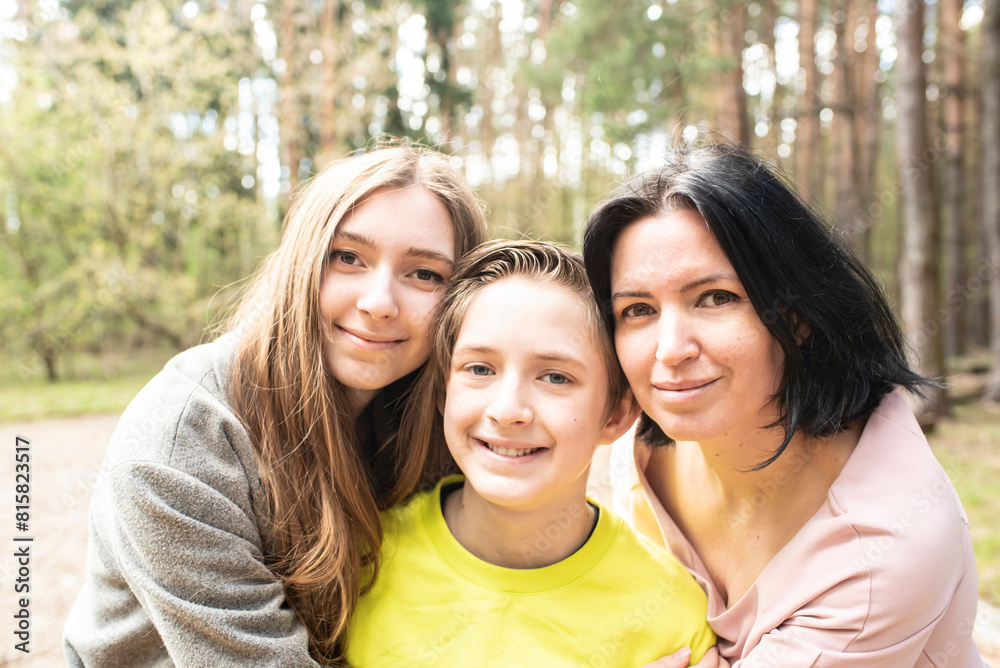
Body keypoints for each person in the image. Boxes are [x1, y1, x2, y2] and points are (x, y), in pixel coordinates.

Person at [63, 145, 488, 666]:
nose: (379, 303)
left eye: (424, 274)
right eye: (348, 257)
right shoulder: (184, 439)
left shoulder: (442, 417)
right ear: (302, 262)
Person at [582, 141, 985, 667]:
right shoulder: (633, 456)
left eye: (716, 298)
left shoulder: (884, 547)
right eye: (638, 309)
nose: (670, 350)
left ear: (797, 314)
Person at [345, 240, 717, 667]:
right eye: (480, 369)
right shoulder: (355, 564)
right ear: (444, 392)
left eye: (555, 377)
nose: (507, 411)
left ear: (616, 414)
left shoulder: (673, 619)